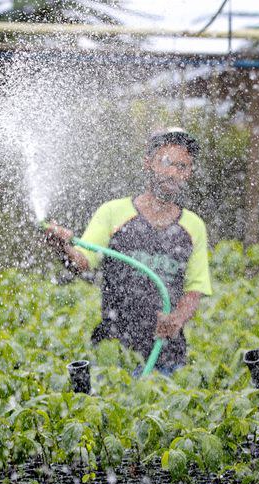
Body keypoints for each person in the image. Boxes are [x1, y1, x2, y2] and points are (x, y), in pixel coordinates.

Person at [45, 128, 212, 375]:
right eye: (166, 163)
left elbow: (195, 288)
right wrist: (62, 246)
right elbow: (82, 261)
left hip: (167, 357)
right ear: (148, 163)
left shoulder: (194, 226)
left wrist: (176, 319)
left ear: (188, 173)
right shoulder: (114, 212)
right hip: (114, 355)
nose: (173, 173)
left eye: (182, 166)